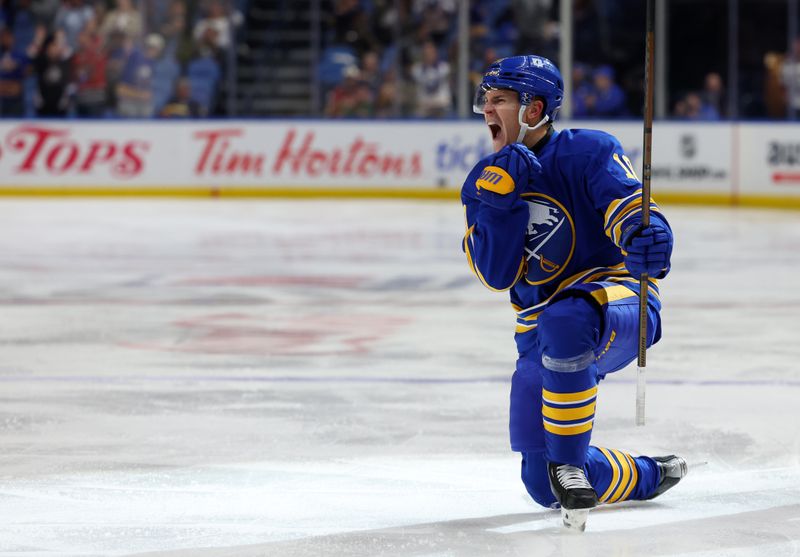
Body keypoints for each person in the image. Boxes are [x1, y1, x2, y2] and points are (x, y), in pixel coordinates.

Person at [461, 55, 687, 529]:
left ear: (534, 108)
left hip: (619, 302)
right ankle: (649, 474)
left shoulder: (588, 151)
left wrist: (648, 235)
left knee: (566, 318)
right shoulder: (483, 182)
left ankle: (569, 462)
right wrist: (498, 206)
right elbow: (496, 275)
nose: (486, 109)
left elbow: (628, 205)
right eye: (486, 100)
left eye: (498, 99)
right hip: (537, 332)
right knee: (542, 486)